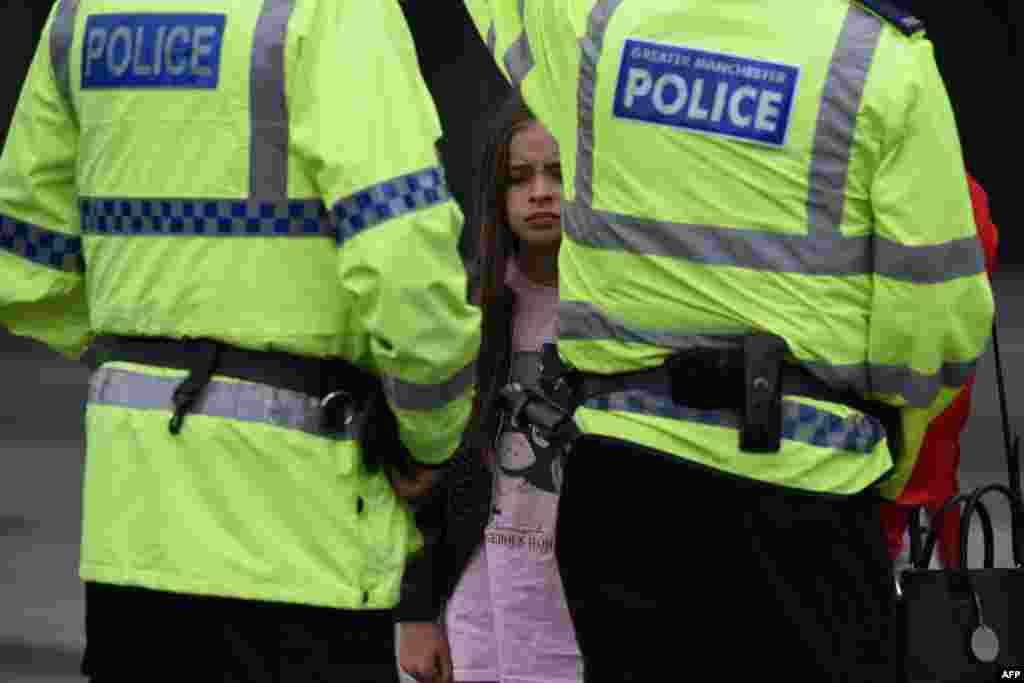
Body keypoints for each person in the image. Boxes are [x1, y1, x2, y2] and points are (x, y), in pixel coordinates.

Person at [463, 0, 994, 680]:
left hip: (629, 487)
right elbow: (937, 318)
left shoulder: (600, 28)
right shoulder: (879, 61)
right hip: (806, 491)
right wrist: (893, 455)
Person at [0, 2, 479, 681]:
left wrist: (149, 358)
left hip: (133, 532)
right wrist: (432, 437)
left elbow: (25, 266)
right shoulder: (335, 12)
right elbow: (406, 264)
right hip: (302, 544)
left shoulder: (80, 15)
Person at [397, 90, 582, 683]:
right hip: (479, 587)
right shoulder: (469, 314)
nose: (540, 193)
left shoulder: (612, 318)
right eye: (519, 177)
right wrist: (418, 613)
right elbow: (426, 471)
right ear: (495, 194)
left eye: (558, 173)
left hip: (575, 593)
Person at [879, 174, 999, 569]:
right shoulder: (966, 189)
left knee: (887, 502)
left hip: (887, 367)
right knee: (938, 487)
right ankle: (956, 596)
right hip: (946, 369)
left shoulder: (876, 179)